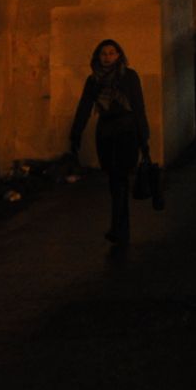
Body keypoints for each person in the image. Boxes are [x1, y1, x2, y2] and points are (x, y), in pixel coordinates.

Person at [68, 39, 150, 244]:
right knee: (114, 180)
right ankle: (119, 227)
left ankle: (120, 228)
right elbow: (85, 107)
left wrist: (144, 137)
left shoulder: (129, 76)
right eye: (104, 53)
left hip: (126, 131)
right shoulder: (93, 80)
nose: (108, 57)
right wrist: (76, 133)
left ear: (119, 55)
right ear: (98, 56)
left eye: (112, 53)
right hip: (106, 133)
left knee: (120, 180)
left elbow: (138, 107)